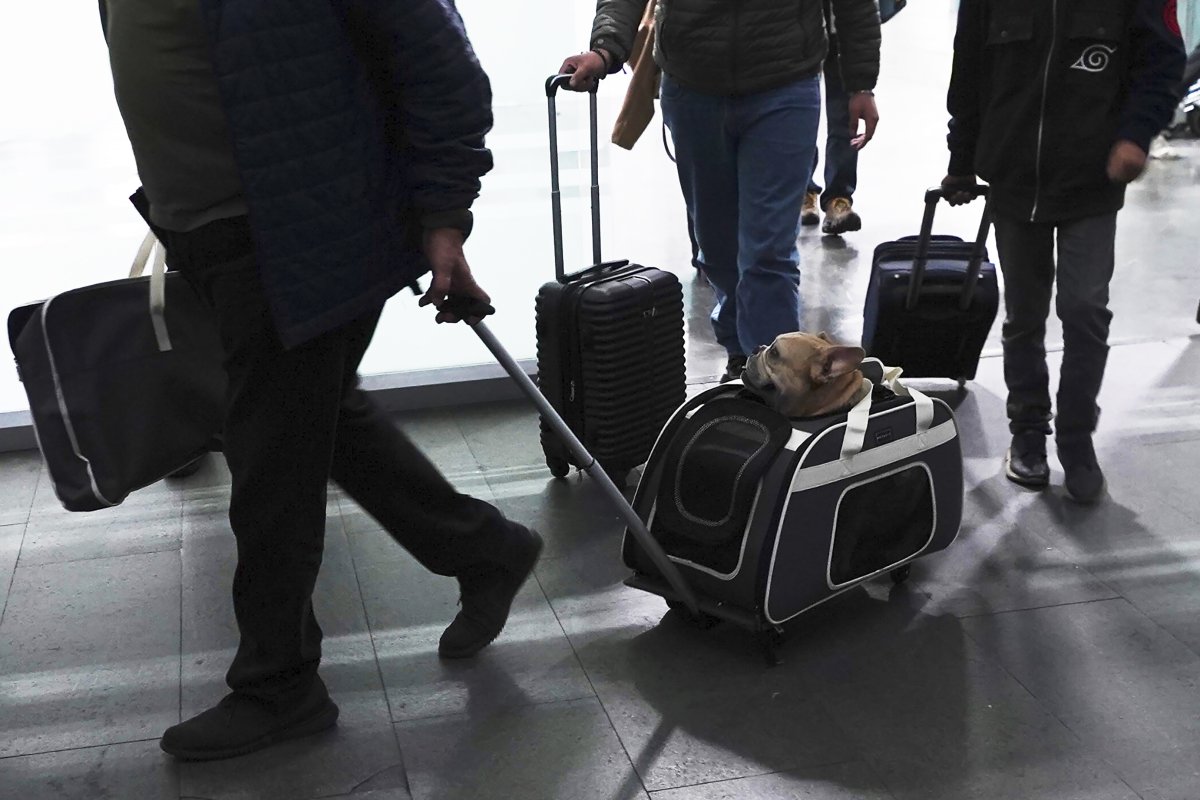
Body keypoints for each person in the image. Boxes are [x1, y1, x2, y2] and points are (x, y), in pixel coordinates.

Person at [99, 0, 542, 760]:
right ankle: (485, 550)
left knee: (271, 459)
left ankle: (279, 686)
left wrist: (444, 218)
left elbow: (440, 63)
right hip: (214, 232)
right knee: (315, 420)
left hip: (296, 231)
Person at [561, 0, 882, 383]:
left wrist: (861, 82)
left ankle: (773, 376)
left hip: (785, 85)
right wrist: (605, 48)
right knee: (716, 250)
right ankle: (739, 349)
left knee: (768, 253)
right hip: (693, 87)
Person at [943, 0, 1186, 502]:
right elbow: (967, 68)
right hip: (1012, 174)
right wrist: (961, 159)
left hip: (1091, 180)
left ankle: (1077, 442)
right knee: (1026, 315)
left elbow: (1162, 64)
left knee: (1084, 308)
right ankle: (1028, 432)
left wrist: (1135, 135)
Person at [803, 0, 863, 236]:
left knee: (846, 116)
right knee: (799, 115)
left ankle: (839, 198)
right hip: (794, 31)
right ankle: (803, 191)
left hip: (842, 23)